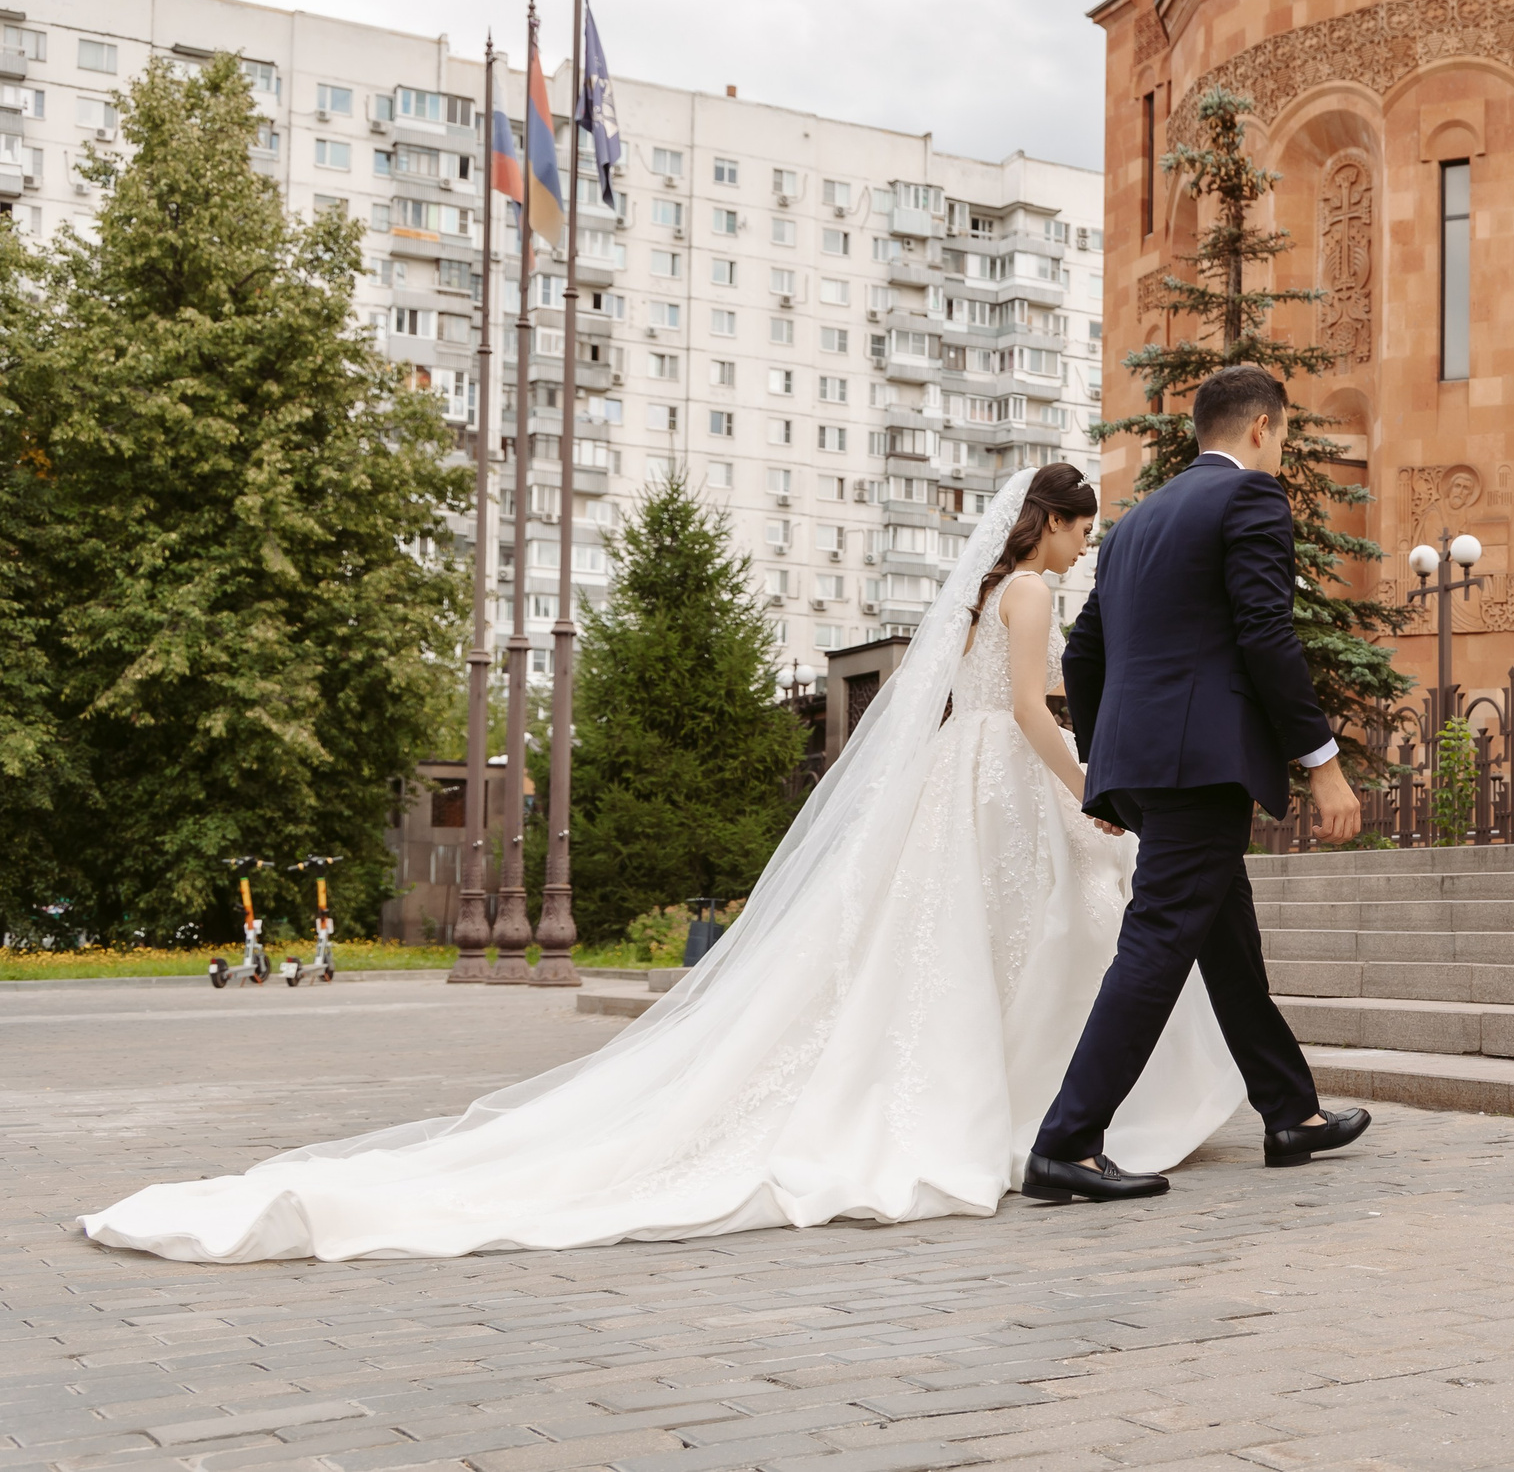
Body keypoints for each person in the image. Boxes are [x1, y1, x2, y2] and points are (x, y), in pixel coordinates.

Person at [81, 464, 1246, 1263]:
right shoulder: (1034, 592)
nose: (1085, 548)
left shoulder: (990, 592)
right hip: (1002, 776)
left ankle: (1050, 1106)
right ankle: (1058, 1114)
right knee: (1054, 930)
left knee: (1001, 943)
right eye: (1082, 530)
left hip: (961, 777)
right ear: (1051, 525)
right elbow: (1034, 711)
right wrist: (1090, 789)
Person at [1025, 364, 1370, 1205]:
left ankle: (1291, 1112)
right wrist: (1323, 763)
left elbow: (1084, 654)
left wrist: (1109, 771)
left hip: (1150, 765)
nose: (1280, 450)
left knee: (1225, 936)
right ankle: (1066, 1142)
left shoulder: (1136, 522)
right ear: (1261, 427)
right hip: (1202, 764)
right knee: (1158, 940)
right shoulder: (1251, 497)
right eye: (1283, 434)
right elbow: (1266, 632)